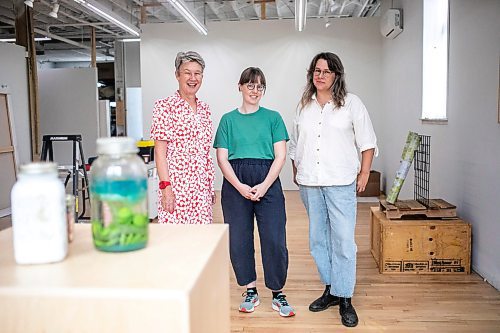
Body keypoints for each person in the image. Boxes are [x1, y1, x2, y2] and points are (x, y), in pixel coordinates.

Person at [289, 52, 378, 327]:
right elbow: (295, 144)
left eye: (326, 71)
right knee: (318, 240)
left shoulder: (352, 104)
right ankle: (330, 288)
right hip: (310, 183)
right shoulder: (305, 105)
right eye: (316, 70)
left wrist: (364, 173)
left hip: (340, 182)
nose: (320, 75)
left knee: (343, 241)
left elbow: (368, 142)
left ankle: (345, 297)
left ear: (336, 75)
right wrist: (296, 172)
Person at [214, 67, 295, 317]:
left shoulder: (273, 118)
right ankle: (250, 289)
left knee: (274, 239)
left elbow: (280, 156)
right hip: (235, 181)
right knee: (239, 239)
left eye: (260, 86)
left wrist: (264, 185)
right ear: (239, 86)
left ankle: (277, 292)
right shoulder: (228, 119)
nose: (255, 90)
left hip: (267, 179)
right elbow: (222, 158)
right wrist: (239, 186)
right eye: (250, 85)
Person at [150, 51, 215, 224]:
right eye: (187, 72)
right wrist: (166, 188)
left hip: (201, 190)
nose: (193, 78)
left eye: (197, 73)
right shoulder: (164, 107)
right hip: (177, 189)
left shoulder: (205, 109)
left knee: (201, 242)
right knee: (176, 241)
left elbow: (205, 152)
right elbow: (160, 152)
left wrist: (210, 187)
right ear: (177, 75)